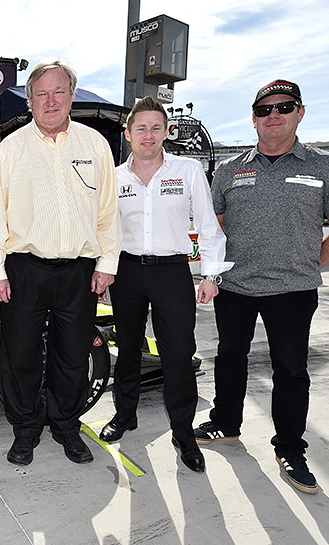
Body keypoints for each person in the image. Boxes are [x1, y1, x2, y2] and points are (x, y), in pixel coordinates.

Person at [195, 80, 329, 494]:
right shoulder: (231, 169)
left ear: (300, 113)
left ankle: (289, 447)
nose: (274, 116)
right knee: (229, 358)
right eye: (264, 110)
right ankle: (226, 424)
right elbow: (217, 225)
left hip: (293, 290)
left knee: (290, 370)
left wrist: (306, 265)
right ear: (253, 119)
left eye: (284, 107)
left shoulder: (327, 167)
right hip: (235, 287)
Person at [0, 61, 121, 466]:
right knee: (19, 355)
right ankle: (25, 431)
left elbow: (108, 213)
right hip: (24, 269)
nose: (51, 101)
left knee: (73, 355)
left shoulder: (94, 146)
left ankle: (66, 427)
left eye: (59, 92)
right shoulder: (10, 149)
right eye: (41, 93)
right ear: (29, 100)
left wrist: (107, 262)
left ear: (71, 96)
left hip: (80, 270)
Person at [100, 97, 232, 473]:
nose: (148, 135)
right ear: (127, 134)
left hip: (172, 273)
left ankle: (183, 432)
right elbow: (105, 229)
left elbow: (208, 224)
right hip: (126, 272)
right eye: (140, 128)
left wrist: (210, 274)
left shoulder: (187, 170)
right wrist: (105, 270)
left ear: (167, 132)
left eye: (156, 127)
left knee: (177, 355)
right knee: (126, 352)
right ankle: (125, 416)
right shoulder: (114, 176)